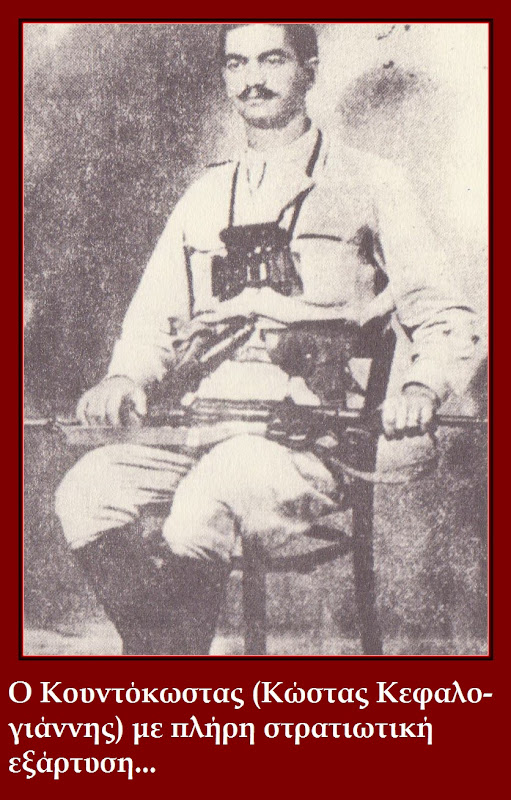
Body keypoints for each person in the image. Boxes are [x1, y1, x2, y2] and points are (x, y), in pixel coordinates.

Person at [55, 23, 480, 655]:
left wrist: (423, 386)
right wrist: (124, 377)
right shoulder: (202, 197)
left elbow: (444, 312)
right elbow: (151, 322)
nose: (251, 80)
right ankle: (166, 661)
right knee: (86, 492)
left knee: (205, 500)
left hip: (310, 443)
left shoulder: (373, 182)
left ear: (310, 67)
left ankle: (160, 673)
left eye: (271, 60)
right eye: (236, 64)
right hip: (204, 429)